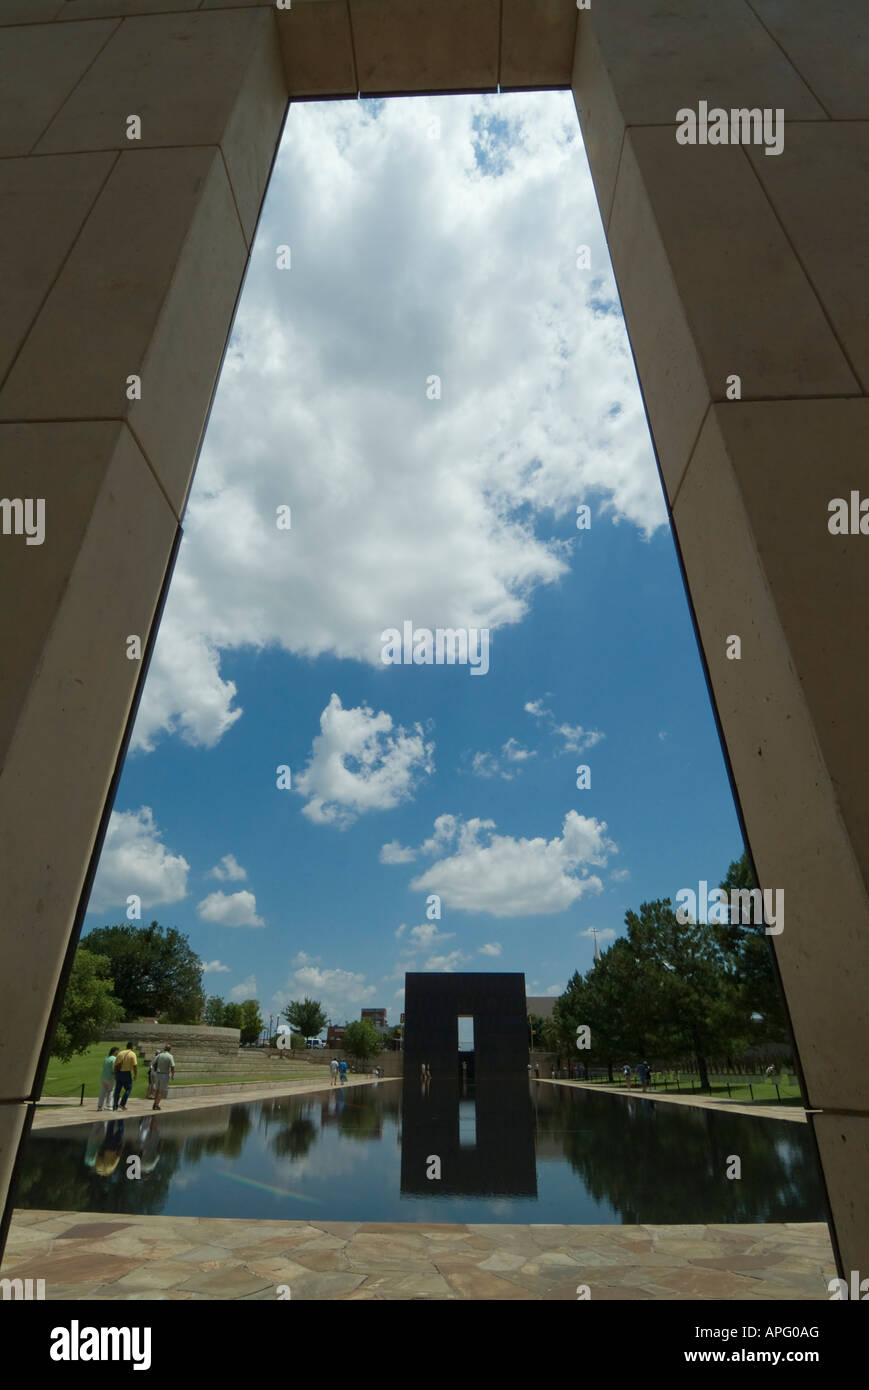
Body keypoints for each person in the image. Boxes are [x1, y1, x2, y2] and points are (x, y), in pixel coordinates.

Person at [112, 1042, 138, 1111]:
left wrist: (115, 1074)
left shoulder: (120, 1053)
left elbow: (116, 1065)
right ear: (132, 1047)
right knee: (128, 1089)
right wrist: (135, 1075)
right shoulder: (132, 1054)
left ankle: (115, 1106)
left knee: (117, 1090)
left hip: (119, 1073)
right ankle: (122, 1103)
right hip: (127, 1073)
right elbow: (135, 1066)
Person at [151, 1045, 175, 1111]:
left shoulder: (160, 1055)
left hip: (158, 1074)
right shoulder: (170, 1056)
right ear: (170, 1049)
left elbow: (153, 1063)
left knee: (157, 1090)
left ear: (164, 1049)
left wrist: (155, 1069)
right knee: (161, 1091)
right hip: (164, 1075)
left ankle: (155, 1103)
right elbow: (172, 1066)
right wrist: (172, 1075)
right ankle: (156, 1104)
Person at [97, 1047, 118, 1111]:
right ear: (114, 1051)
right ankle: (109, 1105)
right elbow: (113, 1069)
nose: (118, 1053)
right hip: (110, 1077)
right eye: (117, 1051)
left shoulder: (106, 1058)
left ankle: (100, 1106)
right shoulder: (114, 1059)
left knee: (102, 1092)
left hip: (103, 1077)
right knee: (111, 1091)